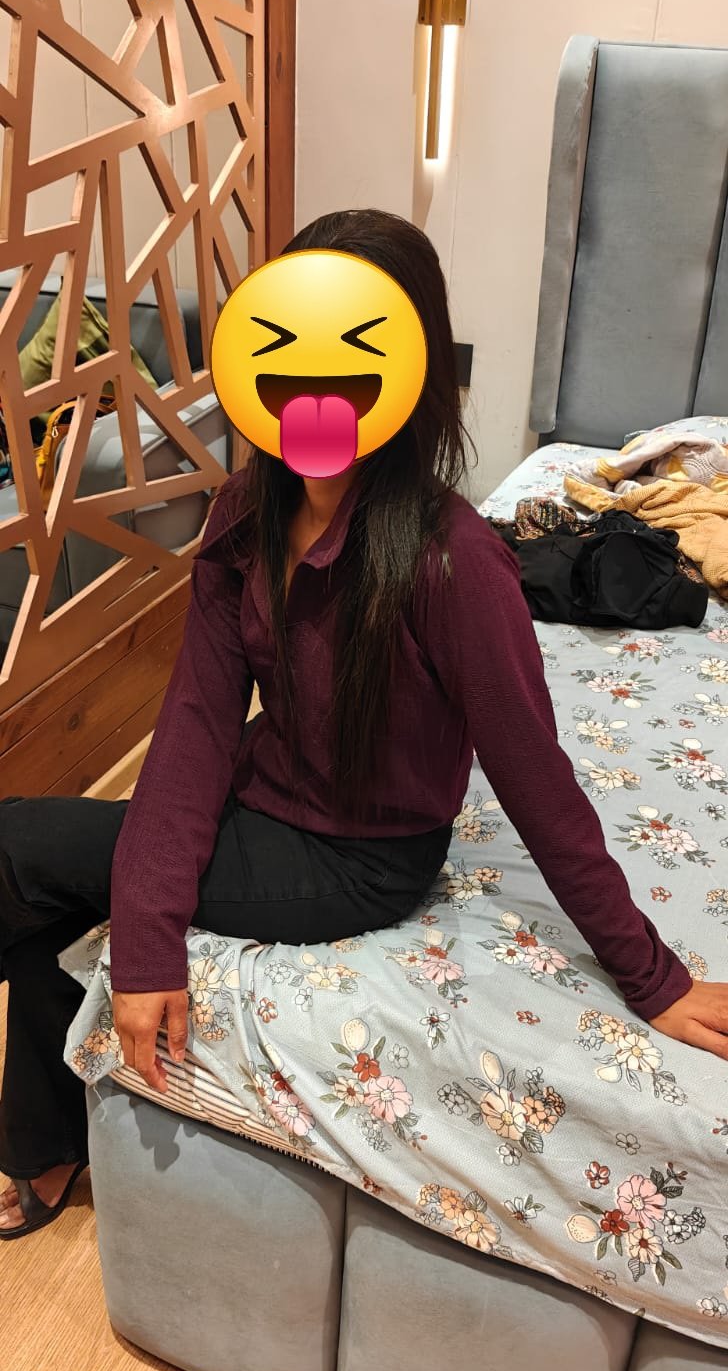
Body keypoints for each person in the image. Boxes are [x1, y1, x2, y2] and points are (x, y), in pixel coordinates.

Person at [1, 208, 726, 1238]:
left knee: (17, 846)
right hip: (259, 799)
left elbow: (536, 777)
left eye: (348, 358)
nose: (313, 387)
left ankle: (39, 1139)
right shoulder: (244, 509)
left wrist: (650, 977)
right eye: (288, 353)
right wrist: (149, 939)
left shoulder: (453, 560)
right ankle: (43, 1139)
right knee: (45, 881)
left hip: (360, 858)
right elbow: (196, 725)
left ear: (410, 370)